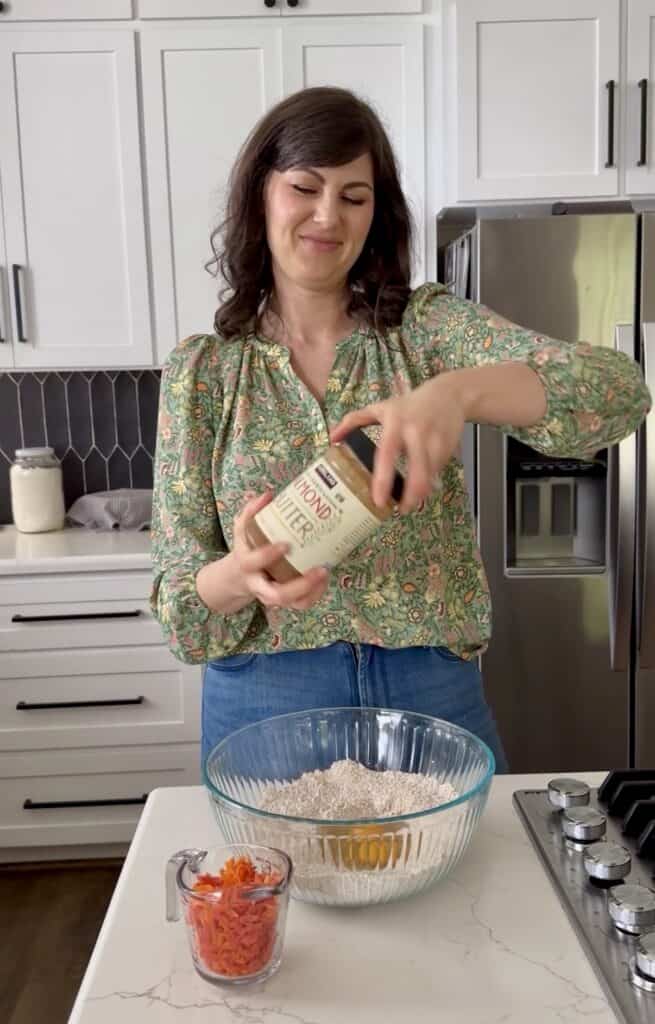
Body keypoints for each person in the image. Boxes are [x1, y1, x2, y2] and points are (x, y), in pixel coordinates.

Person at [150, 87, 651, 775]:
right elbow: (180, 613)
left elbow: (620, 393)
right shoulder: (202, 373)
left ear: (375, 214)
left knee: (464, 853)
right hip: (266, 701)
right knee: (276, 857)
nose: (328, 215)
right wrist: (240, 576)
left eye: (354, 197)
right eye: (305, 188)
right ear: (260, 196)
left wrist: (456, 393)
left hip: (428, 689)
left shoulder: (424, 331)